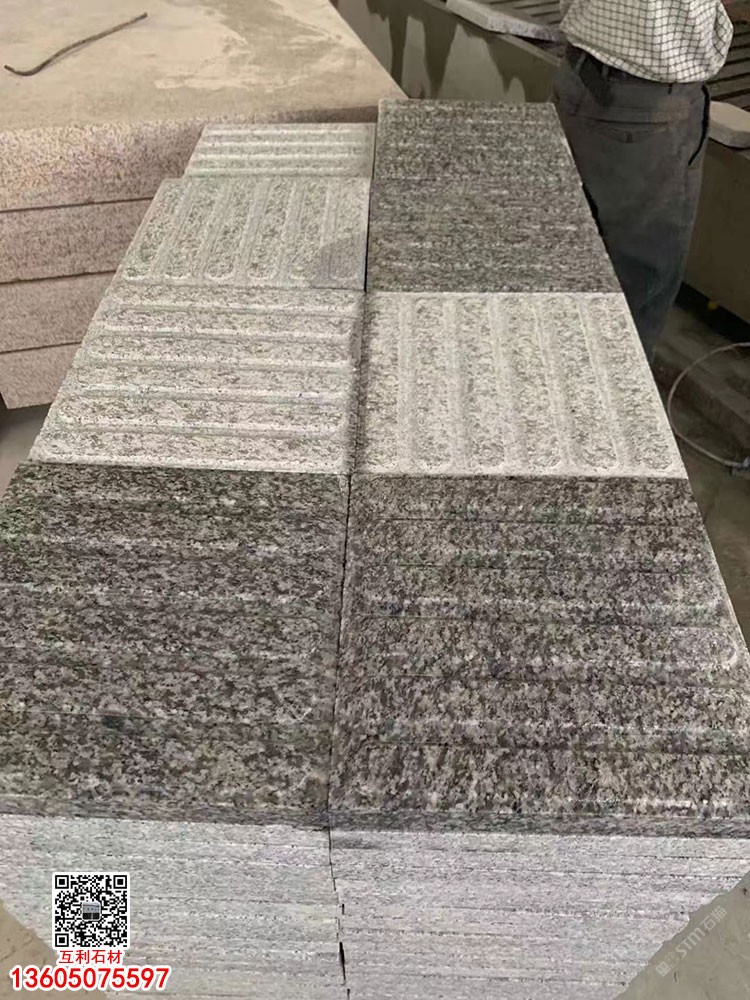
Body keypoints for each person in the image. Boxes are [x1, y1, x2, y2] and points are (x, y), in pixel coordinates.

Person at [552, 1, 740, 362]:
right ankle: (611, 388)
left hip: (579, 77)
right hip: (647, 112)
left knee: (565, 261)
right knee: (637, 286)